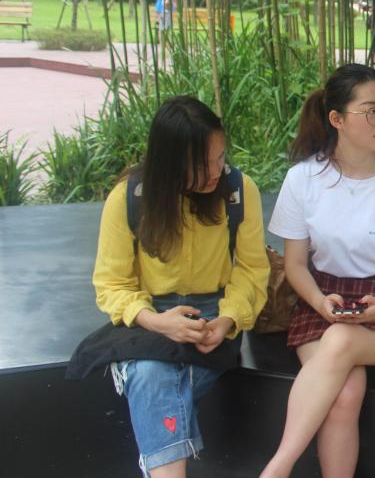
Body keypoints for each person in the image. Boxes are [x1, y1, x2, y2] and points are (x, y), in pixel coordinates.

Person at [260, 63, 375, 478]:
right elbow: (295, 264)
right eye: (371, 111)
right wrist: (319, 301)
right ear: (337, 119)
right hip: (321, 298)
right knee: (344, 395)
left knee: (341, 341)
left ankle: (276, 469)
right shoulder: (304, 179)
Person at [91, 96, 269, 478]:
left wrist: (227, 320)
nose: (216, 171)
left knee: (151, 377)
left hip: (214, 317)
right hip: (149, 319)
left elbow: (252, 270)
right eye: (203, 164)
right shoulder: (128, 198)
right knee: (154, 373)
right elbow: (112, 283)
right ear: (170, 162)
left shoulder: (239, 189)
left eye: (220, 158)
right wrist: (155, 321)